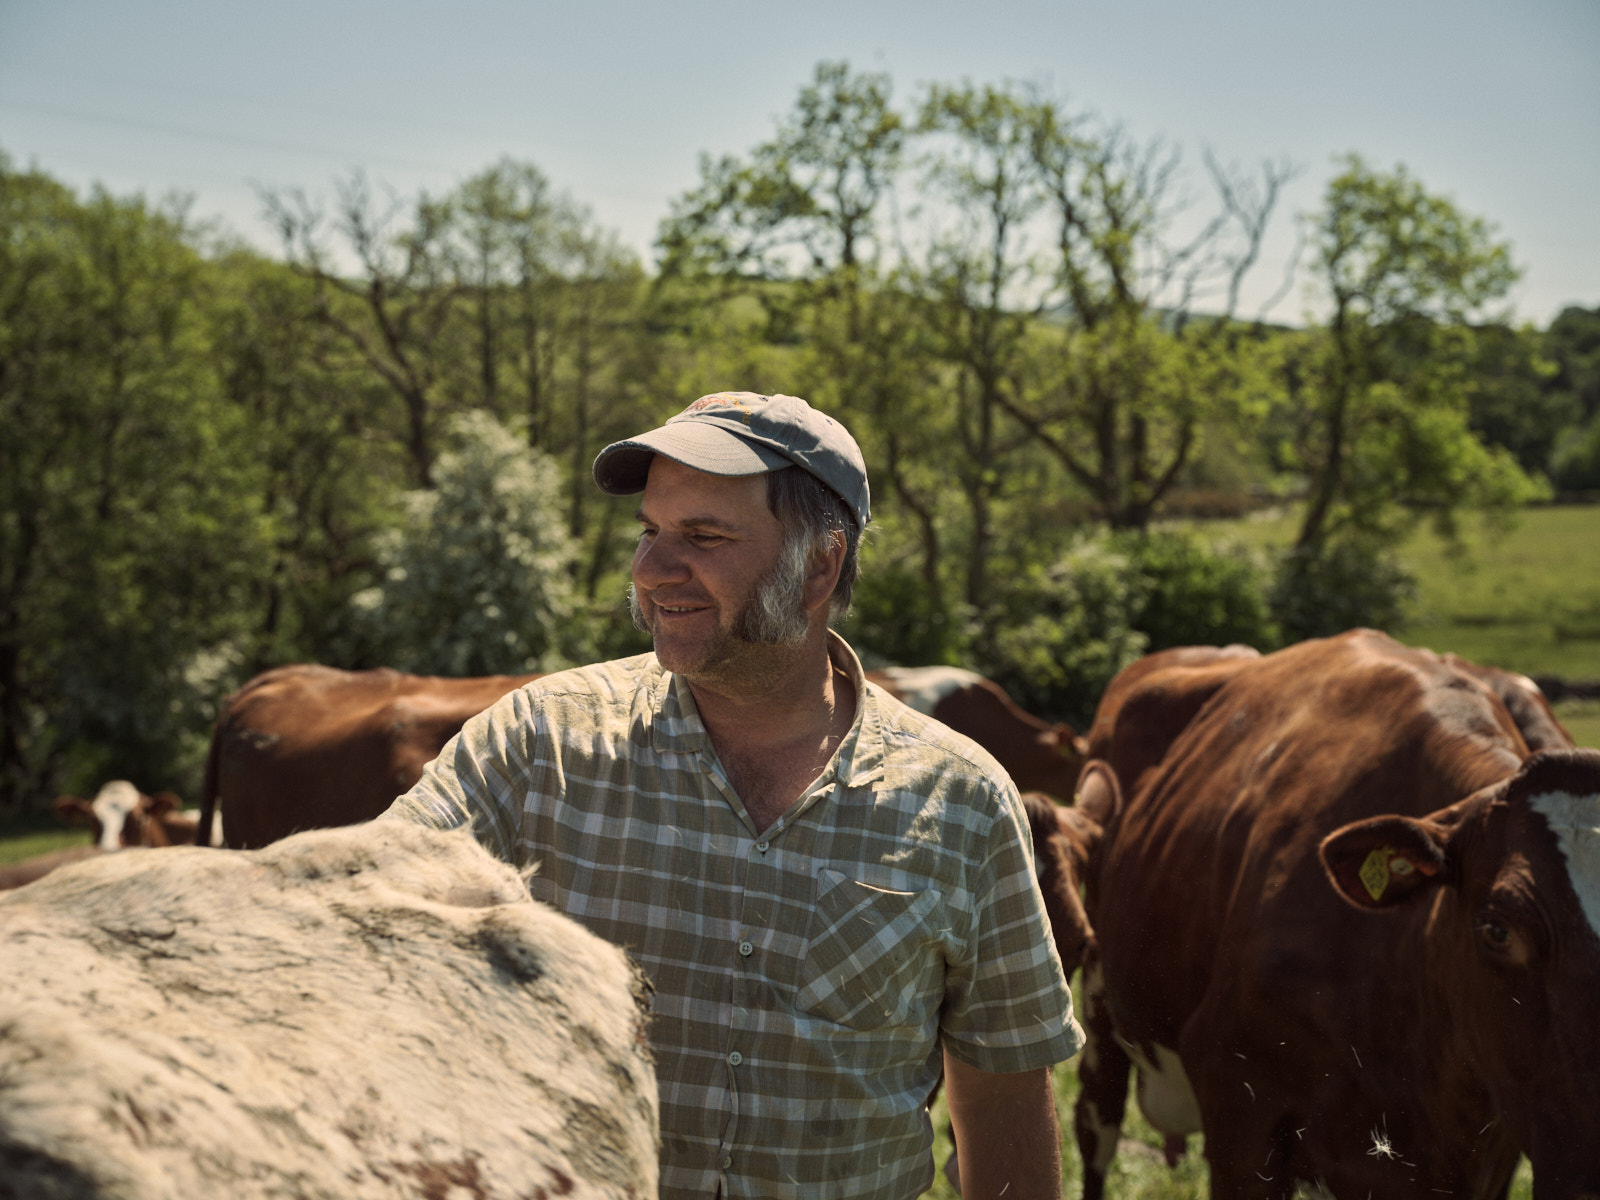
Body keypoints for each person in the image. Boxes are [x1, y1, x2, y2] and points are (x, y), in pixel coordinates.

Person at [382, 391, 1083, 1199]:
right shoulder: (536, 746)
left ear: (820, 564)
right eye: (651, 531)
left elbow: (1001, 1096)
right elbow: (363, 913)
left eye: (703, 537)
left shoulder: (960, 802)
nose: (650, 570)